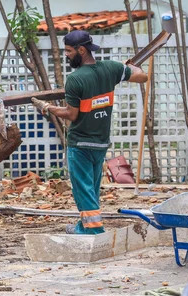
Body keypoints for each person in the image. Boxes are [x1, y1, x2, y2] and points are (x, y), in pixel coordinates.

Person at [32, 30, 148, 234]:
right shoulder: (111, 68)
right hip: (100, 143)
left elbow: (71, 114)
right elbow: (143, 76)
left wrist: (46, 108)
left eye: (68, 51)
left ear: (81, 50)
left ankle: (93, 230)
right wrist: (129, 67)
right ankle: (83, 225)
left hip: (81, 144)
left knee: (83, 190)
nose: (66, 55)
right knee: (91, 189)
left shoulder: (76, 79)